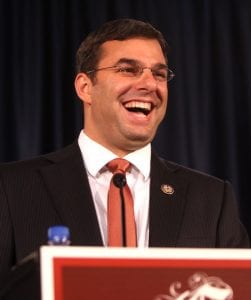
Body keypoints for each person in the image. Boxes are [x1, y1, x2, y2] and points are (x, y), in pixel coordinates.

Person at [0, 18, 249, 283]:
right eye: (128, 70)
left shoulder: (211, 198)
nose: (149, 84)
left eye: (159, 74)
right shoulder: (12, 187)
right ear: (85, 88)